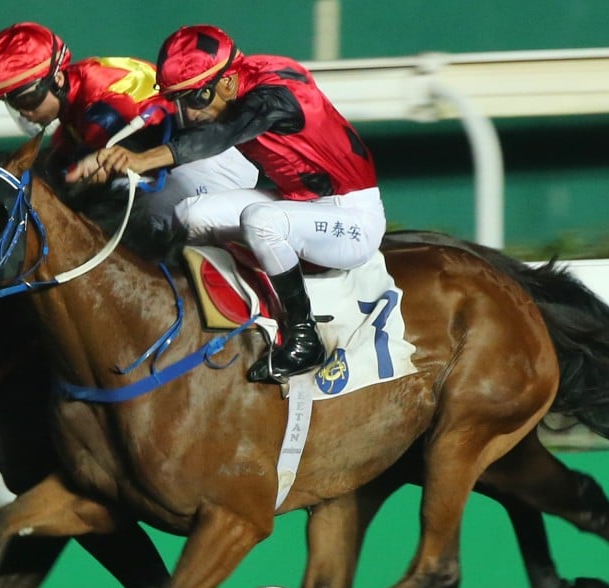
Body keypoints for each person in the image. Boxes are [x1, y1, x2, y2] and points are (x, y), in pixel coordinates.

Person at [72, 24, 387, 384]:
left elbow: (220, 136)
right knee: (188, 213)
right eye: (181, 101)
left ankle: (305, 336)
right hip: (299, 203)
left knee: (260, 221)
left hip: (351, 218)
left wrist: (142, 161)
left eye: (196, 99)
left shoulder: (276, 95)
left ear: (225, 82)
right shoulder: (234, 83)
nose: (188, 114)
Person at [0, 22, 258, 234]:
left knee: (125, 213)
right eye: (12, 102)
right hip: (171, 162)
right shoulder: (73, 113)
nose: (24, 111)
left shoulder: (101, 103)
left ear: (58, 80)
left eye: (27, 98)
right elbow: (55, 170)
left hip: (209, 159)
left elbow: (106, 166)